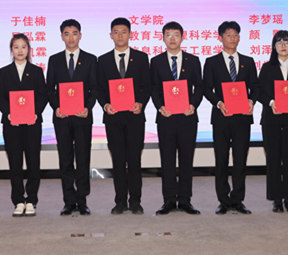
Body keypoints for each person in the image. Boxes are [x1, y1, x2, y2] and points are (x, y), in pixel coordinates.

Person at [202, 21, 259, 215]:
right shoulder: (211, 62)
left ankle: (238, 199)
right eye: (228, 35)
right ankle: (223, 200)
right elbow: (206, 89)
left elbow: (255, 87)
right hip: (221, 117)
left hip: (242, 118)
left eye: (235, 34)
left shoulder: (248, 61)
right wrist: (219, 103)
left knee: (240, 159)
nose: (232, 38)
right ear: (220, 38)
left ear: (239, 38)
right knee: (221, 160)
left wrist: (251, 101)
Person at [97, 17, 152, 215]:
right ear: (111, 35)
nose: (120, 35)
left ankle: (135, 201)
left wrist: (141, 103)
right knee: (118, 161)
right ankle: (120, 201)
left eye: (124, 32)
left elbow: (147, 86)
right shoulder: (102, 60)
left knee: (134, 161)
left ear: (130, 34)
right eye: (116, 32)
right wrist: (105, 104)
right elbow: (99, 88)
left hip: (135, 117)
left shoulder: (141, 58)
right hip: (113, 118)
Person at [150, 21, 203, 215]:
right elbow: (154, 88)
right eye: (168, 35)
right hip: (166, 117)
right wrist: (160, 107)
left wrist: (193, 104)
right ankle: (169, 200)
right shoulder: (156, 61)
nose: (172, 39)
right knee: (168, 160)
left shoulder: (193, 60)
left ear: (183, 37)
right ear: (163, 38)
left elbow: (200, 87)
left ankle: (185, 200)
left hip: (188, 118)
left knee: (187, 160)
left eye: (176, 35)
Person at [46, 19, 98, 216]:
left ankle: (82, 200)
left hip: (82, 117)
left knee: (83, 158)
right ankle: (68, 201)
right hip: (62, 117)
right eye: (66, 34)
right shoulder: (54, 60)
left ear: (80, 35)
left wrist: (87, 107)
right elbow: (49, 89)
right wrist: (56, 106)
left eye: (74, 33)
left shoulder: (90, 59)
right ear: (62, 36)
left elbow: (94, 88)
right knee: (65, 159)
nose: (71, 37)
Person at [0, 34, 48, 217]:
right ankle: (18, 200)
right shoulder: (4, 72)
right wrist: (8, 113)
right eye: (16, 47)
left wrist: (36, 113)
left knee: (33, 162)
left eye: (23, 47)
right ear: (11, 50)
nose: (20, 50)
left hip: (32, 123)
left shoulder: (36, 71)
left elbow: (42, 95)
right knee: (15, 163)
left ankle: (32, 199)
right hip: (11, 123)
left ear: (29, 49)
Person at [258, 30, 288, 213]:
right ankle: (276, 199)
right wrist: (271, 102)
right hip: (272, 119)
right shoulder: (267, 68)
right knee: (273, 159)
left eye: (286, 42)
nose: (283, 46)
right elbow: (260, 92)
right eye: (279, 42)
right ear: (274, 47)